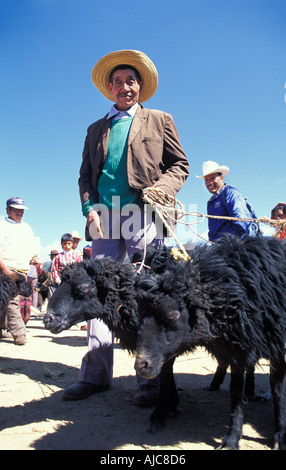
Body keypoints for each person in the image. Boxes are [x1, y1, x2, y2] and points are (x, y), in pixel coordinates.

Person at [63, 49, 189, 404]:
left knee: (146, 292)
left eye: (130, 81)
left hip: (144, 214)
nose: (124, 87)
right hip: (104, 219)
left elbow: (179, 165)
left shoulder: (160, 119)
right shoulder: (96, 128)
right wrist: (89, 207)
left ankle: (149, 380)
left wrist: (161, 190)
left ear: (140, 86)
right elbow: (85, 175)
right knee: (96, 295)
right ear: (109, 88)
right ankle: (95, 375)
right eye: (117, 82)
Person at [0, 197, 40, 345]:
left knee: (11, 301)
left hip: (22, 270)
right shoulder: (2, 225)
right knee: (11, 302)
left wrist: (34, 258)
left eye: (21, 210)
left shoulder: (26, 228)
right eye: (15, 209)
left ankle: (2, 329)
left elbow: (31, 248)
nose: (19, 212)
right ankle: (19, 333)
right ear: (7, 209)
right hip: (7, 268)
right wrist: (5, 269)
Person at [197, 161, 256, 242]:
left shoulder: (230, 193)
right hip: (219, 247)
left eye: (212, 178)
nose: (209, 183)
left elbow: (243, 222)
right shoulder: (211, 201)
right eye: (206, 180)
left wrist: (237, 244)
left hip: (233, 246)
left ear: (221, 178)